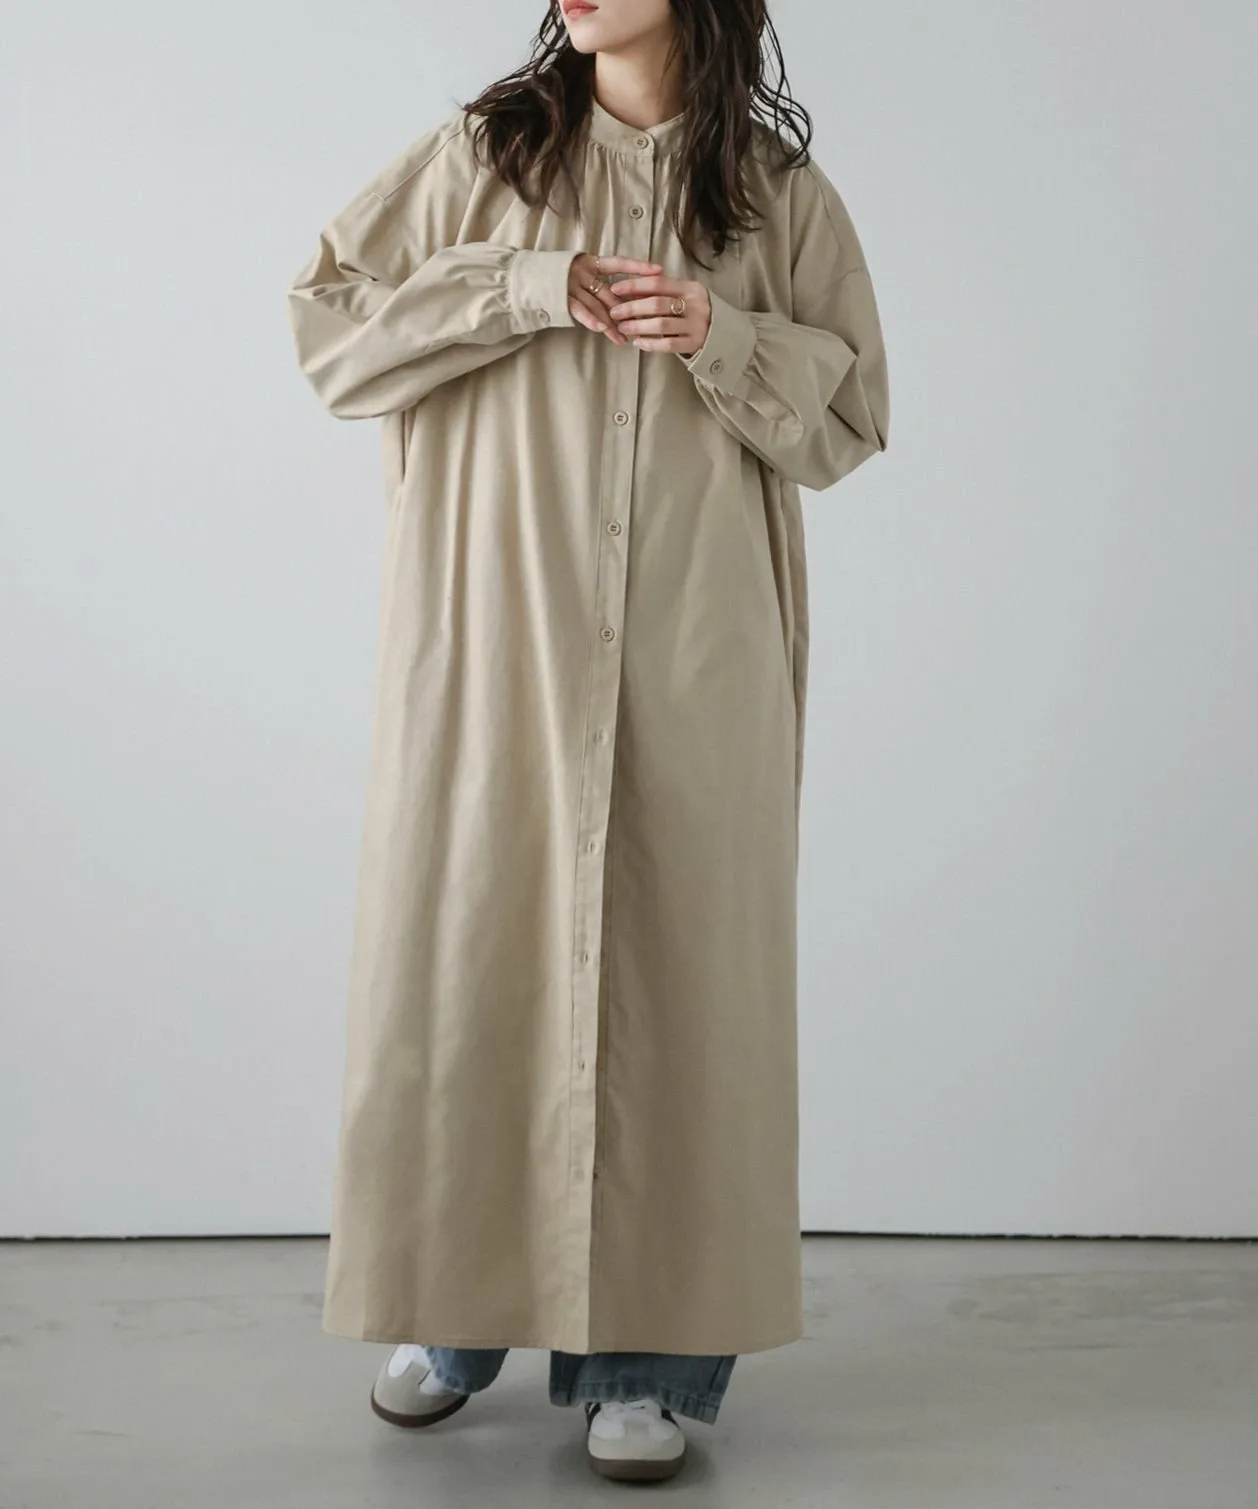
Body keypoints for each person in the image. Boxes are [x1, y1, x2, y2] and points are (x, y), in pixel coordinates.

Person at [285, 0, 888, 1484]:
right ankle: (451, 1317)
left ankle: (651, 1364)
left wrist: (724, 334)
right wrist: (521, 284)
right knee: (467, 959)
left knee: (684, 987)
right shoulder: (482, 159)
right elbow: (332, 335)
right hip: (495, 634)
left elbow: (851, 419)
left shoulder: (772, 193)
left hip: (697, 647)